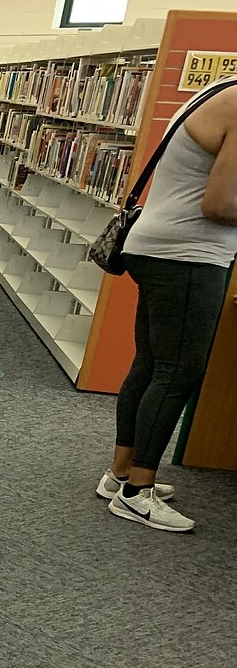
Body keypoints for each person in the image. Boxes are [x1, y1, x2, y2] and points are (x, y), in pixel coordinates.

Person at [99, 80, 237, 533]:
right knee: (178, 373)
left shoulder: (221, 89)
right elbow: (220, 205)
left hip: (157, 246)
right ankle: (137, 493)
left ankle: (119, 474)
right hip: (189, 254)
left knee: (153, 363)